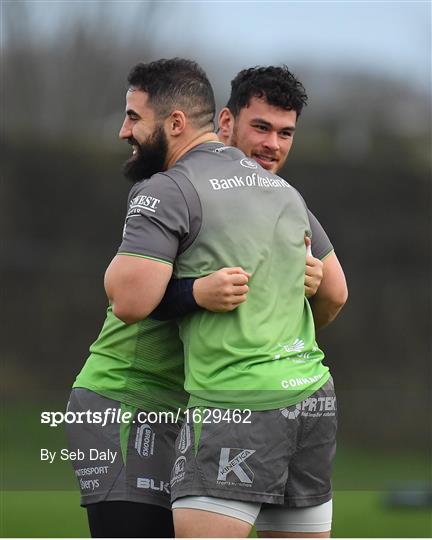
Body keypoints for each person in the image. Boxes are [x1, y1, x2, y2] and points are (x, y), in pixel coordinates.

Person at [104, 59, 347, 538]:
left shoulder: (173, 188)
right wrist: (274, 327)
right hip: (311, 397)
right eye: (261, 127)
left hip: (234, 404)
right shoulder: (285, 194)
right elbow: (337, 294)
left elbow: (129, 302)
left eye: (285, 133)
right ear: (224, 122)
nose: (272, 145)